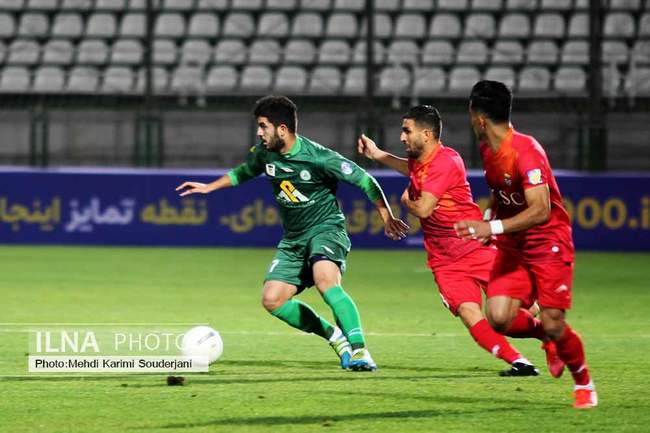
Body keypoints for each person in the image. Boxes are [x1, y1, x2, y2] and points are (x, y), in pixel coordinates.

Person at [176, 95, 409, 372]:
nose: (259, 132)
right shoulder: (265, 153)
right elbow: (244, 172)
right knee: (272, 299)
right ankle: (336, 338)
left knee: (325, 281)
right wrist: (209, 187)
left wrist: (387, 217)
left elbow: (364, 179)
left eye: (263, 126)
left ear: (282, 129)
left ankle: (360, 350)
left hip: (326, 229)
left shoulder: (319, 157)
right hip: (294, 239)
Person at [358, 105, 555, 376]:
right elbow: (411, 169)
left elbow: (423, 209)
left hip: (475, 247)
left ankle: (549, 335)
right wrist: (378, 154)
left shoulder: (445, 161)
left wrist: (405, 201)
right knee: (468, 312)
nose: (402, 137)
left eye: (407, 131)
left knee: (517, 311)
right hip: (445, 261)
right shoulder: (419, 157)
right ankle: (520, 362)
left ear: (426, 135)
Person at [455, 80, 597, 408]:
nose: (470, 120)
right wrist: (490, 217)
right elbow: (500, 191)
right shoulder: (488, 149)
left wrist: (492, 226)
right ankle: (546, 337)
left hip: (548, 242)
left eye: (470, 114)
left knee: (554, 320)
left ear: (479, 119)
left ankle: (584, 382)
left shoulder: (526, 151)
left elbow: (541, 210)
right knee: (498, 317)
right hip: (513, 244)